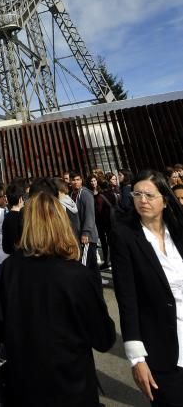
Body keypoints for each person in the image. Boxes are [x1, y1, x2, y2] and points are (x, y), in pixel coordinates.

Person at [0, 191, 115, 406]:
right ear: (61, 223)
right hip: (71, 386)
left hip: (24, 385)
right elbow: (104, 338)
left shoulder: (10, 268)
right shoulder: (76, 274)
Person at [110, 169, 183, 406]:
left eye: (149, 195)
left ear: (164, 200)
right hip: (162, 348)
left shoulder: (178, 231)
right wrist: (136, 357)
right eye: (137, 194)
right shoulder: (125, 236)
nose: (142, 200)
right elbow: (127, 298)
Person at [2, 181, 24, 254]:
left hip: (12, 257)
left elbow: (5, 247)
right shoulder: (24, 216)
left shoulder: (6, 217)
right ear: (21, 199)